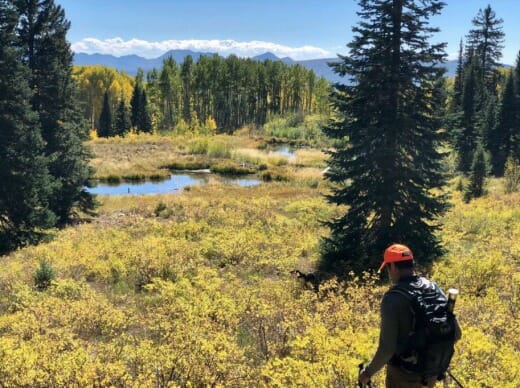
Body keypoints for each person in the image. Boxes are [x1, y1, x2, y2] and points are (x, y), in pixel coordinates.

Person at [358, 244, 462, 387]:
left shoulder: (393, 299)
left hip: (404, 377)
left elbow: (387, 349)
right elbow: (456, 334)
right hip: (430, 374)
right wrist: (429, 351)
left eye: (388, 267)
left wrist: (367, 373)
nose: (389, 272)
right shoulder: (433, 288)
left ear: (393, 266)